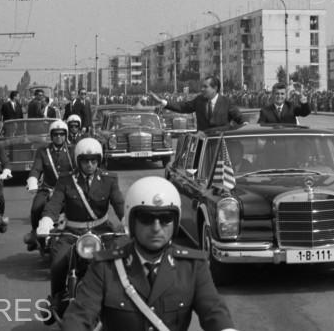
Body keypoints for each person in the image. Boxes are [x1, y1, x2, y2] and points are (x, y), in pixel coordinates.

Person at [61, 176, 237, 331]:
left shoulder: (192, 266)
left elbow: (214, 312)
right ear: (132, 220)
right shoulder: (105, 268)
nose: (156, 228)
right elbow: (80, 315)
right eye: (146, 218)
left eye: (166, 218)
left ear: (175, 222)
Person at [36, 137, 125, 321]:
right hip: (72, 232)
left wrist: (126, 220)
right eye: (86, 161)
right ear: (78, 161)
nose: (90, 165)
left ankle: (120, 302)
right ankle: (58, 299)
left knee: (120, 261)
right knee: (58, 261)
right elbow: (55, 203)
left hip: (102, 230)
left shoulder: (109, 179)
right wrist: (46, 220)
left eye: (94, 161)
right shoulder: (66, 180)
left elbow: (119, 202)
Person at [25, 120, 75, 250]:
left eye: (62, 134)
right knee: (36, 207)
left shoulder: (72, 151)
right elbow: (36, 168)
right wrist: (32, 180)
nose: (59, 137)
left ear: (66, 135)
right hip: (48, 188)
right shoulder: (43, 151)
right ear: (51, 136)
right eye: (56, 134)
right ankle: (36, 235)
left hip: (68, 189)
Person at [150, 76, 243, 132]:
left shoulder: (227, 102)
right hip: (202, 145)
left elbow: (240, 119)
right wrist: (163, 102)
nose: (202, 89)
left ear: (215, 88)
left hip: (221, 144)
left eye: (205, 87)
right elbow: (183, 107)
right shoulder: (199, 100)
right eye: (202, 86)